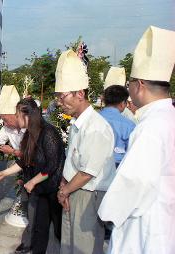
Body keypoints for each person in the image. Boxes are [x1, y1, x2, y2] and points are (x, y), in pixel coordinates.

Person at [98, 26, 175, 253]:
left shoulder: (150, 126)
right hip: (164, 215)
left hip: (145, 223)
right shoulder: (168, 116)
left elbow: (133, 181)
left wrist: (107, 212)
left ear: (139, 85)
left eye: (129, 83)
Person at [54, 50, 116, 254]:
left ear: (80, 94)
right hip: (73, 189)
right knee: (69, 245)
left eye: (62, 97)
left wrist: (65, 190)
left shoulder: (96, 127)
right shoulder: (76, 124)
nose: (59, 102)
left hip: (87, 193)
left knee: (84, 247)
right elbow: (72, 161)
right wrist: (64, 185)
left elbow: (87, 171)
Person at [0, 98, 65, 254]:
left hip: (55, 190)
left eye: (17, 114)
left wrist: (32, 181)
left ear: (27, 115)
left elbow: (52, 165)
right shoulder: (29, 134)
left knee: (59, 230)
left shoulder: (48, 132)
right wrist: (3, 173)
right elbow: (25, 161)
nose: (15, 117)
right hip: (40, 190)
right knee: (39, 229)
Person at [101, 84, 136, 168]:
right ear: (122, 103)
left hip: (91, 167)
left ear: (105, 100)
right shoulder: (129, 125)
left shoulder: (92, 118)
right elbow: (132, 152)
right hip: (117, 167)